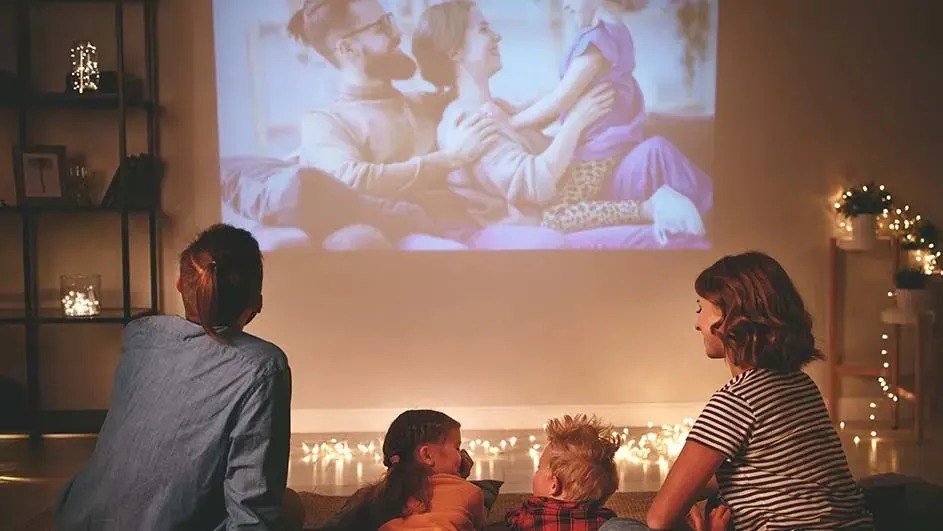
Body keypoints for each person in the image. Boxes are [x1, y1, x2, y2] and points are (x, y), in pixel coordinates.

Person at [601, 252, 874, 530]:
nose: (697, 324)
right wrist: (691, 492)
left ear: (730, 317)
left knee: (617, 528)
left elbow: (659, 518)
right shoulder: (801, 385)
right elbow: (768, 472)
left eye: (701, 309)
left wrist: (681, 502)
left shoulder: (736, 400)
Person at [55, 224, 302, 531]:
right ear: (257, 302)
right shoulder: (263, 367)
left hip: (78, 520)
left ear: (178, 283)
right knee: (290, 508)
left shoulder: (140, 335)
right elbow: (254, 511)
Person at [412, 0, 708, 247]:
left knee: (656, 151)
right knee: (679, 239)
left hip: (574, 197)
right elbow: (535, 186)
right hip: (549, 222)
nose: (496, 37)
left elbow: (547, 107)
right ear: (455, 52)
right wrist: (575, 122)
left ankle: (725, 219)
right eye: (483, 29)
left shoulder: (496, 107)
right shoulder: (468, 123)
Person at [288, 0, 504, 250]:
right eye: (381, 27)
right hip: (406, 241)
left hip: (471, 229)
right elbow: (350, 180)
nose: (397, 34)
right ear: (347, 49)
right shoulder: (325, 123)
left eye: (389, 21)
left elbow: (496, 112)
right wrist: (449, 159)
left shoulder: (426, 104)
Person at [325, 409, 485, 530]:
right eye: (457, 448)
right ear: (427, 455)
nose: (462, 455)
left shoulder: (367, 498)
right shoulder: (469, 492)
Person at [505, 414, 621, 531]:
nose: (536, 473)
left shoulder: (532, 515)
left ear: (554, 485)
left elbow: (511, 520)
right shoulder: (604, 520)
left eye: (539, 468)